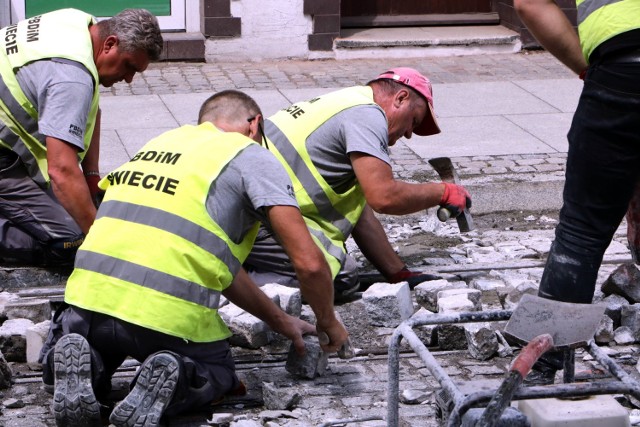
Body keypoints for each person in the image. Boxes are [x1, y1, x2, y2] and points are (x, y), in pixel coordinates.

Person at [40, 90, 348, 427]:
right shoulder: (251, 155)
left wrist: (281, 321)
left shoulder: (162, 142)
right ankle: (179, 376)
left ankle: (80, 362)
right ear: (255, 125)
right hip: (165, 318)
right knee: (219, 374)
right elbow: (310, 263)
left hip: (88, 303)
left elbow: (219, 265)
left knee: (94, 348)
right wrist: (327, 320)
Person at [243, 67, 472, 299]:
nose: (410, 133)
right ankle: (227, 281)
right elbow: (384, 197)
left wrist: (398, 273)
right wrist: (442, 192)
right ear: (401, 98)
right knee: (337, 278)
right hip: (252, 215)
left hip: (250, 206)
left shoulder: (347, 102)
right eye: (413, 120)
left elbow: (360, 214)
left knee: (339, 271)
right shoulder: (367, 115)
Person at [514, 0, 640, 381]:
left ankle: (543, 370)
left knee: (580, 234)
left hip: (622, 65)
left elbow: (529, 4)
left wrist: (590, 70)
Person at [0, 8, 163, 266]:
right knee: (72, 240)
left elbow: (90, 109)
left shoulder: (80, 24)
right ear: (110, 44)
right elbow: (61, 170)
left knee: (78, 207)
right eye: (129, 66)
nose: (130, 79)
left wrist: (91, 177)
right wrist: (100, 242)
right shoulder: (72, 77)